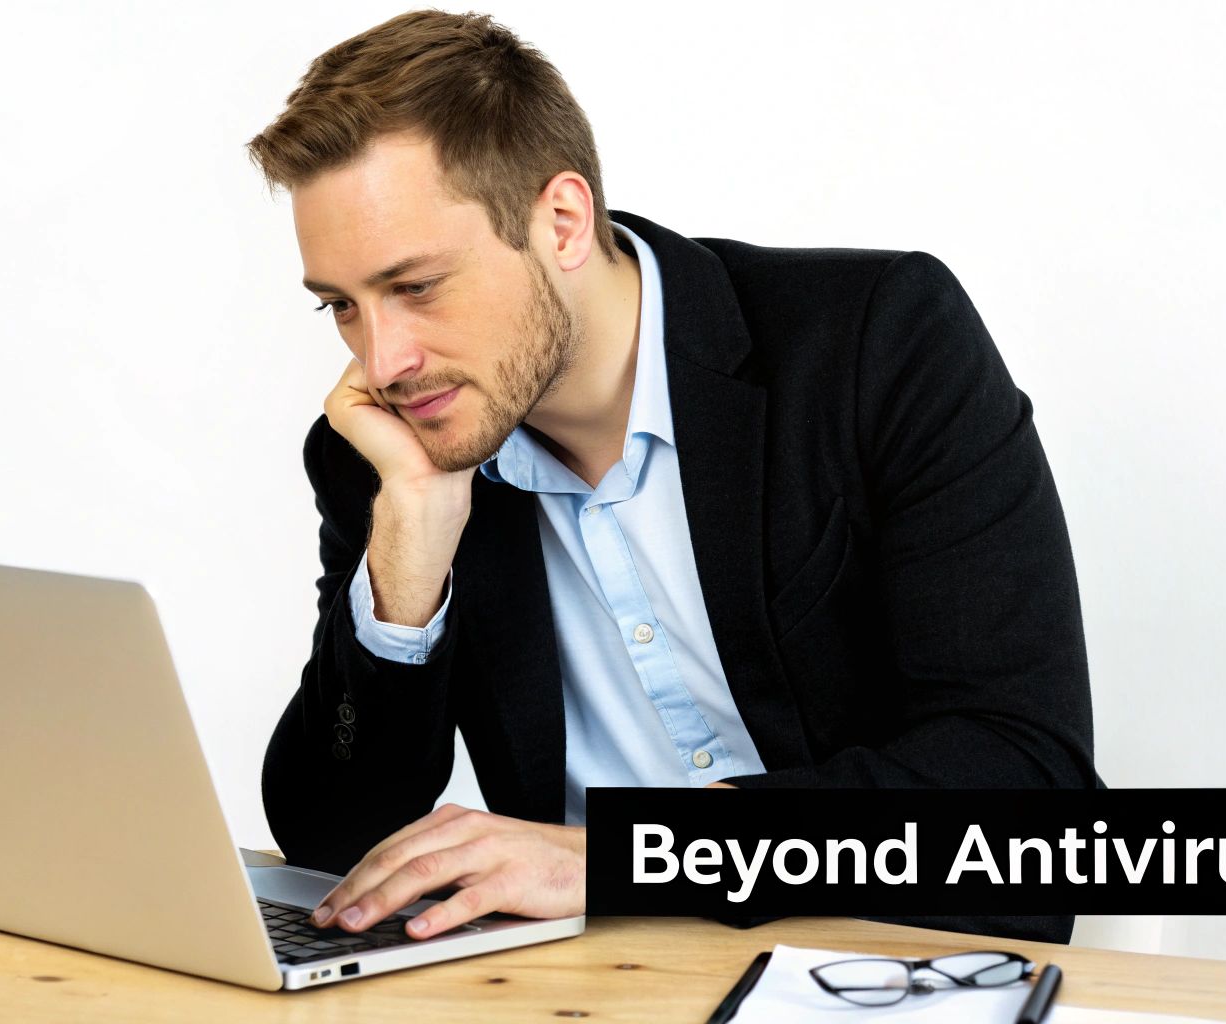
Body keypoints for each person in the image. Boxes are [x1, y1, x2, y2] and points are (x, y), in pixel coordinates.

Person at [246, 9, 1099, 946]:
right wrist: (407, 572)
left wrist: (627, 853)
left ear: (562, 221)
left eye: (415, 287)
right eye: (340, 307)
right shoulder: (390, 452)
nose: (385, 358)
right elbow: (330, 841)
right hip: (594, 991)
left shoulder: (876, 344)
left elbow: (1027, 790)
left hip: (892, 970)